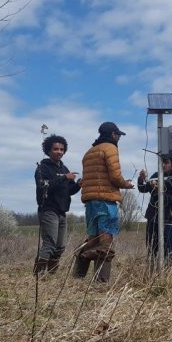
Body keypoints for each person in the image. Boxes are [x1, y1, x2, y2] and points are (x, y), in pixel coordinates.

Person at [75, 121, 134, 282]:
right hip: (105, 200)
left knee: (92, 239)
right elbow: (115, 176)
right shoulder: (110, 148)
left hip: (90, 202)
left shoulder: (89, 152)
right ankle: (101, 282)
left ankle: (77, 277)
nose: (119, 138)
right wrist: (126, 184)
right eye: (118, 135)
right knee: (105, 241)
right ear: (113, 134)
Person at [34, 134, 81, 274]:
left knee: (60, 246)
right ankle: (38, 276)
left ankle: (51, 275)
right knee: (50, 244)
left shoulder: (64, 168)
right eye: (56, 149)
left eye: (62, 149)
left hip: (62, 211)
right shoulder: (42, 168)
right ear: (48, 150)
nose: (59, 151)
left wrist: (78, 185)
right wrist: (64, 178)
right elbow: (43, 186)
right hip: (48, 210)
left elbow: (69, 190)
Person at [138, 154, 172, 267]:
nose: (163, 165)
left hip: (169, 220)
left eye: (166, 162)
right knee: (151, 249)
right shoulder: (156, 175)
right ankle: (151, 275)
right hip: (152, 218)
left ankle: (166, 276)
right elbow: (142, 188)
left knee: (167, 250)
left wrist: (162, 191)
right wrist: (141, 179)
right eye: (161, 162)